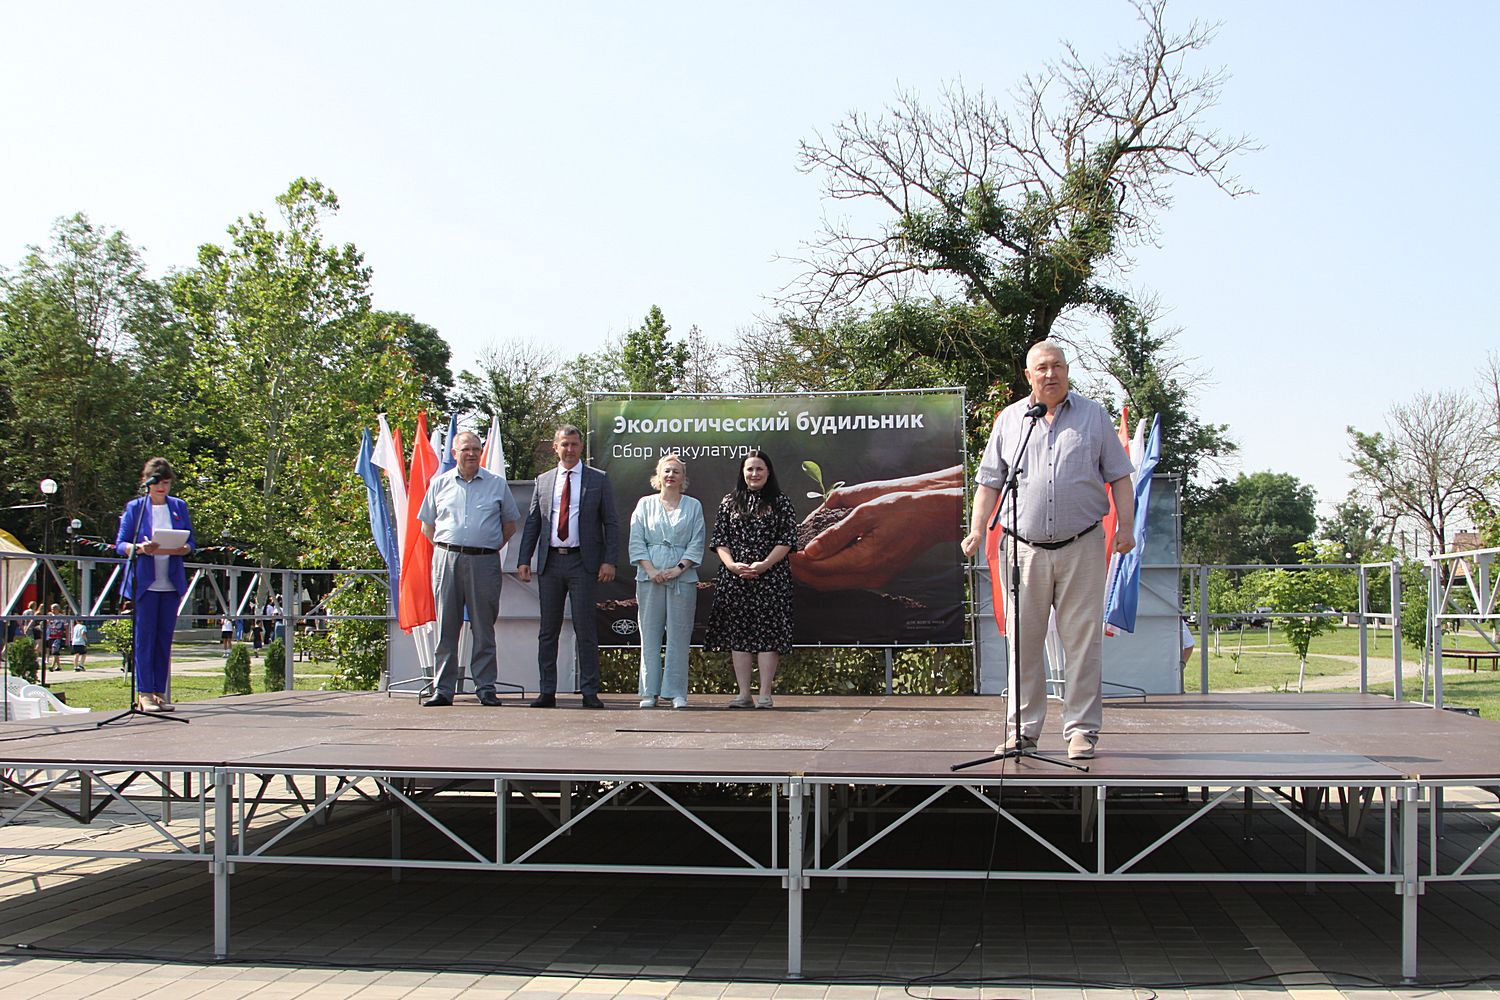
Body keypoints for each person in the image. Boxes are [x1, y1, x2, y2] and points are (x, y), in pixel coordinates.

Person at [961, 340, 1135, 761]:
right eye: (1042, 367)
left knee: (1082, 643)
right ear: (1029, 375)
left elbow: (1120, 477)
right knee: (1023, 644)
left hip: (1082, 545)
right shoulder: (1010, 420)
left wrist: (1126, 528)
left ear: (1067, 370)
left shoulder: (1094, 416)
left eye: (1057, 365)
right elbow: (989, 483)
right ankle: (1022, 732)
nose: (1050, 373)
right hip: (1022, 550)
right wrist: (977, 530)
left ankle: (1081, 732)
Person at [416, 429, 521, 707]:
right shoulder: (439, 484)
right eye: (466, 449)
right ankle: (443, 689)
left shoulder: (497, 484)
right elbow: (427, 526)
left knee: (483, 628)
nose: (472, 454)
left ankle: (485, 687)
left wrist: (485, 545)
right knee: (446, 627)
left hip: (484, 562)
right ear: (454, 454)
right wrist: (450, 547)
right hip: (447, 560)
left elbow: (510, 525)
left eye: (476, 449)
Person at [516, 425, 619, 709]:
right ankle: (547, 691)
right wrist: (524, 559)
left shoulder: (598, 479)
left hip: (583, 563)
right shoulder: (544, 481)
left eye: (574, 444)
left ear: (581, 446)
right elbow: (533, 522)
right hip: (550, 563)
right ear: (555, 447)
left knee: (586, 628)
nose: (569, 449)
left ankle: (589, 691)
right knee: (548, 630)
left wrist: (609, 560)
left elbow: (611, 522)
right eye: (564, 444)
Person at [705, 450, 798, 708]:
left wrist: (765, 564)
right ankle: (744, 694)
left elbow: (787, 540)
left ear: (768, 473)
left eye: (759, 469)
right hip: (735, 579)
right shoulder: (729, 502)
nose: (754, 473)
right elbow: (720, 540)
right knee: (739, 637)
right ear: (742, 472)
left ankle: (765, 695)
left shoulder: (781, 502)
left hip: (771, 578)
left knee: (769, 636)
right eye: (750, 469)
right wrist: (732, 565)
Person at [115, 457, 196, 712]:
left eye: (167, 483)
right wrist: (139, 548)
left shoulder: (178, 506)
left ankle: (160, 692)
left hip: (170, 582)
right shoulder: (136, 508)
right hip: (145, 583)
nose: (162, 487)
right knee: (145, 639)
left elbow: (191, 540)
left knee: (164, 639)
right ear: (147, 482)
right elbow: (120, 544)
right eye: (158, 483)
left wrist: (185, 548)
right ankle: (145, 693)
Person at [628, 454, 705, 709]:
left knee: (679, 635)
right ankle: (649, 692)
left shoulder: (693, 505)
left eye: (676, 471)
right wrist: (651, 570)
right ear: (658, 475)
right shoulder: (644, 504)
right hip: (649, 578)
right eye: (667, 471)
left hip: (682, 579)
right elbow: (636, 540)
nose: (671, 475)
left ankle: (676, 692)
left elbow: (697, 541)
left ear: (683, 478)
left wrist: (677, 569)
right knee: (649, 635)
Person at [45, 605, 67, 671]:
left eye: (54, 609)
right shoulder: (50, 616)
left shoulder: (61, 617)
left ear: (58, 609)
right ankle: (59, 666)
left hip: (58, 636)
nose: (53, 610)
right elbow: (47, 625)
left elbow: (65, 626)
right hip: (50, 635)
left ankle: (52, 666)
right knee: (54, 651)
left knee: (55, 650)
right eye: (52, 609)